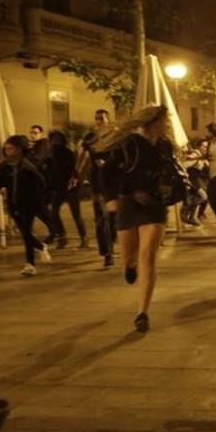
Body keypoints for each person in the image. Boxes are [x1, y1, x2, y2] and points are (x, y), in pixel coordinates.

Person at [96, 105, 176, 332]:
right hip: (128, 204)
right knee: (130, 257)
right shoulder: (128, 143)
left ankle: (142, 312)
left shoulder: (165, 145)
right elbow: (105, 173)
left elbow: (168, 172)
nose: (167, 123)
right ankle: (129, 266)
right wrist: (111, 198)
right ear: (153, 122)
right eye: (165, 120)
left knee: (148, 256)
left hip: (155, 205)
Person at [0, 135, 50, 277]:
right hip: (13, 202)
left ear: (19, 149)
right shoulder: (5, 166)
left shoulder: (29, 164)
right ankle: (40, 246)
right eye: (6, 149)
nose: (7, 152)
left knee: (26, 232)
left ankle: (30, 264)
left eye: (10, 149)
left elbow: (41, 182)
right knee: (25, 232)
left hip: (30, 202)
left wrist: (40, 200)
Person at [77, 109, 116, 266]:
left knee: (112, 217)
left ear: (108, 119)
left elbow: (121, 156)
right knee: (102, 217)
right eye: (96, 118)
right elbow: (82, 157)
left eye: (101, 118)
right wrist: (76, 175)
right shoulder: (90, 137)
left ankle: (108, 245)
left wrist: (109, 164)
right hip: (97, 182)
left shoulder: (115, 136)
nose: (98, 121)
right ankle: (107, 252)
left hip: (113, 181)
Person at [43, 131, 87, 248]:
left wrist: (74, 180)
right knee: (54, 212)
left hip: (70, 187)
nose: (55, 142)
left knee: (75, 214)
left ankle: (83, 237)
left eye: (57, 140)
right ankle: (62, 236)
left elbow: (75, 169)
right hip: (58, 188)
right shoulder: (51, 154)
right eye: (53, 140)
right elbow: (49, 170)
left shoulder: (67, 153)